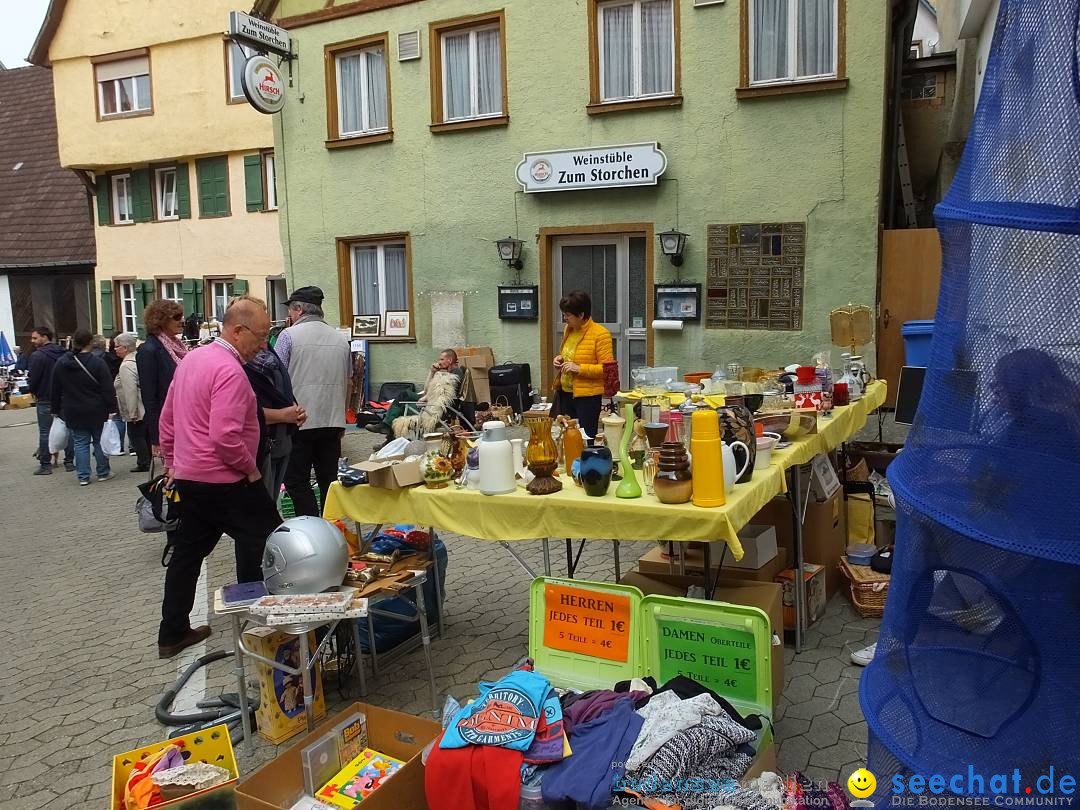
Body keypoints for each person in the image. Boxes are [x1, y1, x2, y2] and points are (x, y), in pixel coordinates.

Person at [157, 296, 282, 658]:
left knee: (187, 553)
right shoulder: (229, 370)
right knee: (274, 542)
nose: (263, 345)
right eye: (259, 336)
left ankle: (173, 632)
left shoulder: (192, 359)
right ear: (237, 330)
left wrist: (171, 462)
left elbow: (167, 419)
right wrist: (251, 469)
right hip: (225, 479)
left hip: (191, 477)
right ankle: (268, 627)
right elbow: (225, 436)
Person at [275, 286, 351, 517]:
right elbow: (348, 382)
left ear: (299, 309)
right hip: (332, 421)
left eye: (291, 310)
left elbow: (276, 375)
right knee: (329, 480)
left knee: (297, 481)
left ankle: (310, 530)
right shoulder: (340, 339)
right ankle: (331, 528)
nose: (290, 315)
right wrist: (343, 417)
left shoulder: (288, 336)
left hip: (298, 421)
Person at [50, 330, 118, 486]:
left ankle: (83, 476)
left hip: (73, 409)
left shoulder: (62, 363)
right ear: (90, 342)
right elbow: (107, 387)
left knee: (80, 442)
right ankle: (103, 472)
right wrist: (111, 407)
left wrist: (55, 409)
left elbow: (55, 388)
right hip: (96, 408)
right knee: (98, 441)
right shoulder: (98, 362)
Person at [243, 346, 307, 500]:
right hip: (260, 449)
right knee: (261, 506)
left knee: (271, 502)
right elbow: (244, 413)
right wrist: (282, 415)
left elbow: (283, 394)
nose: (264, 339)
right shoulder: (240, 365)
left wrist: (297, 411)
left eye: (266, 332)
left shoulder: (271, 357)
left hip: (281, 442)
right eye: (260, 333)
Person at [551, 290, 613, 440]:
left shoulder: (600, 334)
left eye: (568, 315)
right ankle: (571, 463)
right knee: (567, 436)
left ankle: (587, 463)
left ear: (581, 315)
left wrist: (579, 369)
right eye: (564, 314)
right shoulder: (569, 330)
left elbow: (607, 369)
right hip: (566, 393)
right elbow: (570, 354)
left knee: (585, 438)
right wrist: (560, 359)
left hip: (587, 398)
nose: (565, 318)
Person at [365, 348, 464, 437]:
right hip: (430, 401)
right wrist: (432, 372)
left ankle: (386, 430)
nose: (439, 362)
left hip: (435, 408)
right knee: (404, 395)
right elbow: (426, 390)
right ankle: (385, 427)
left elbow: (441, 395)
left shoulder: (455, 373)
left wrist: (425, 398)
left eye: (441, 359)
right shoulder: (445, 373)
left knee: (401, 408)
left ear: (450, 360)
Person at [137, 299, 187, 458]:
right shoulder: (149, 350)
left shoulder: (178, 346)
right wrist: (156, 437)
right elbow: (149, 397)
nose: (182, 321)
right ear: (161, 320)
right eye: (177, 317)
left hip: (184, 418)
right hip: (168, 423)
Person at [27, 326, 74, 474]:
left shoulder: (37, 356)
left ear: (45, 337)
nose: (32, 341)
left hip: (46, 397)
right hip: (65, 397)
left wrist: (33, 391)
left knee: (45, 431)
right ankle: (69, 462)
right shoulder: (65, 353)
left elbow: (33, 380)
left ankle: (45, 464)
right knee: (69, 430)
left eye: (35, 338)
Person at [113, 332, 151, 472]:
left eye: (117, 346)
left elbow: (130, 390)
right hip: (144, 404)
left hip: (136, 405)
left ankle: (143, 462)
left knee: (136, 434)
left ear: (125, 348)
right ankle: (148, 458)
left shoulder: (126, 366)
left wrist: (132, 412)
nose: (115, 349)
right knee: (144, 433)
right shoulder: (137, 359)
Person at [92, 334, 126, 454]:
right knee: (119, 419)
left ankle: (112, 446)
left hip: (97, 394)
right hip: (116, 390)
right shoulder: (119, 359)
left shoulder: (98, 359)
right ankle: (119, 446)